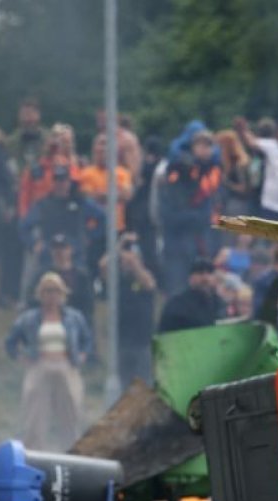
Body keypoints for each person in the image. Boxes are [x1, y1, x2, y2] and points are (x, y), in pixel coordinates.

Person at [4, 273, 94, 452]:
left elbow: (87, 339)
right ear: (40, 294)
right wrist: (21, 357)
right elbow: (10, 342)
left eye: (55, 291)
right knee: (35, 414)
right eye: (47, 291)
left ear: (62, 294)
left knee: (70, 412)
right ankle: (34, 453)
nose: (52, 295)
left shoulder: (74, 317)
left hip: (66, 365)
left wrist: (82, 355)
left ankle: (71, 452)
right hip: (39, 365)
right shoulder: (29, 318)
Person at [159, 130, 222, 294]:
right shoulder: (178, 171)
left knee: (201, 289)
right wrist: (194, 217)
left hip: (201, 242)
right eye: (200, 145)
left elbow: (209, 209)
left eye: (208, 146)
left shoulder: (211, 172)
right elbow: (168, 213)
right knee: (177, 288)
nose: (205, 149)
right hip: (177, 243)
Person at [19, 164, 105, 271]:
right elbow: (24, 226)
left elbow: (103, 218)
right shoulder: (43, 204)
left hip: (76, 258)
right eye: (57, 180)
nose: (60, 184)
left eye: (63, 180)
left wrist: (91, 236)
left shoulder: (80, 202)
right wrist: (33, 244)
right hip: (49, 259)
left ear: (69, 182)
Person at [102, 232, 158, 386]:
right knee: (124, 384)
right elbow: (103, 266)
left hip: (143, 341)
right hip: (122, 341)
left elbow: (149, 284)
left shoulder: (145, 276)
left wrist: (134, 263)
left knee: (144, 384)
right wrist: (119, 246)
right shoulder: (117, 280)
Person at [158, 258, 222, 332]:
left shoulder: (220, 304)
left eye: (209, 273)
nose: (205, 278)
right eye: (200, 273)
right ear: (190, 278)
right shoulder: (177, 304)